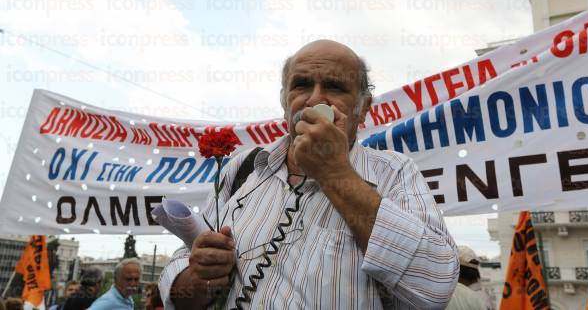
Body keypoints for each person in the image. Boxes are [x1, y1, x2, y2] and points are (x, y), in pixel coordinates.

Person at [159, 40, 459, 309]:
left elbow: (434, 287)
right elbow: (182, 285)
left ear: (363, 107)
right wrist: (200, 276)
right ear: (284, 101)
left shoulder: (394, 172)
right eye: (301, 85)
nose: (315, 99)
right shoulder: (242, 169)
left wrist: (335, 172)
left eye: (335, 87)